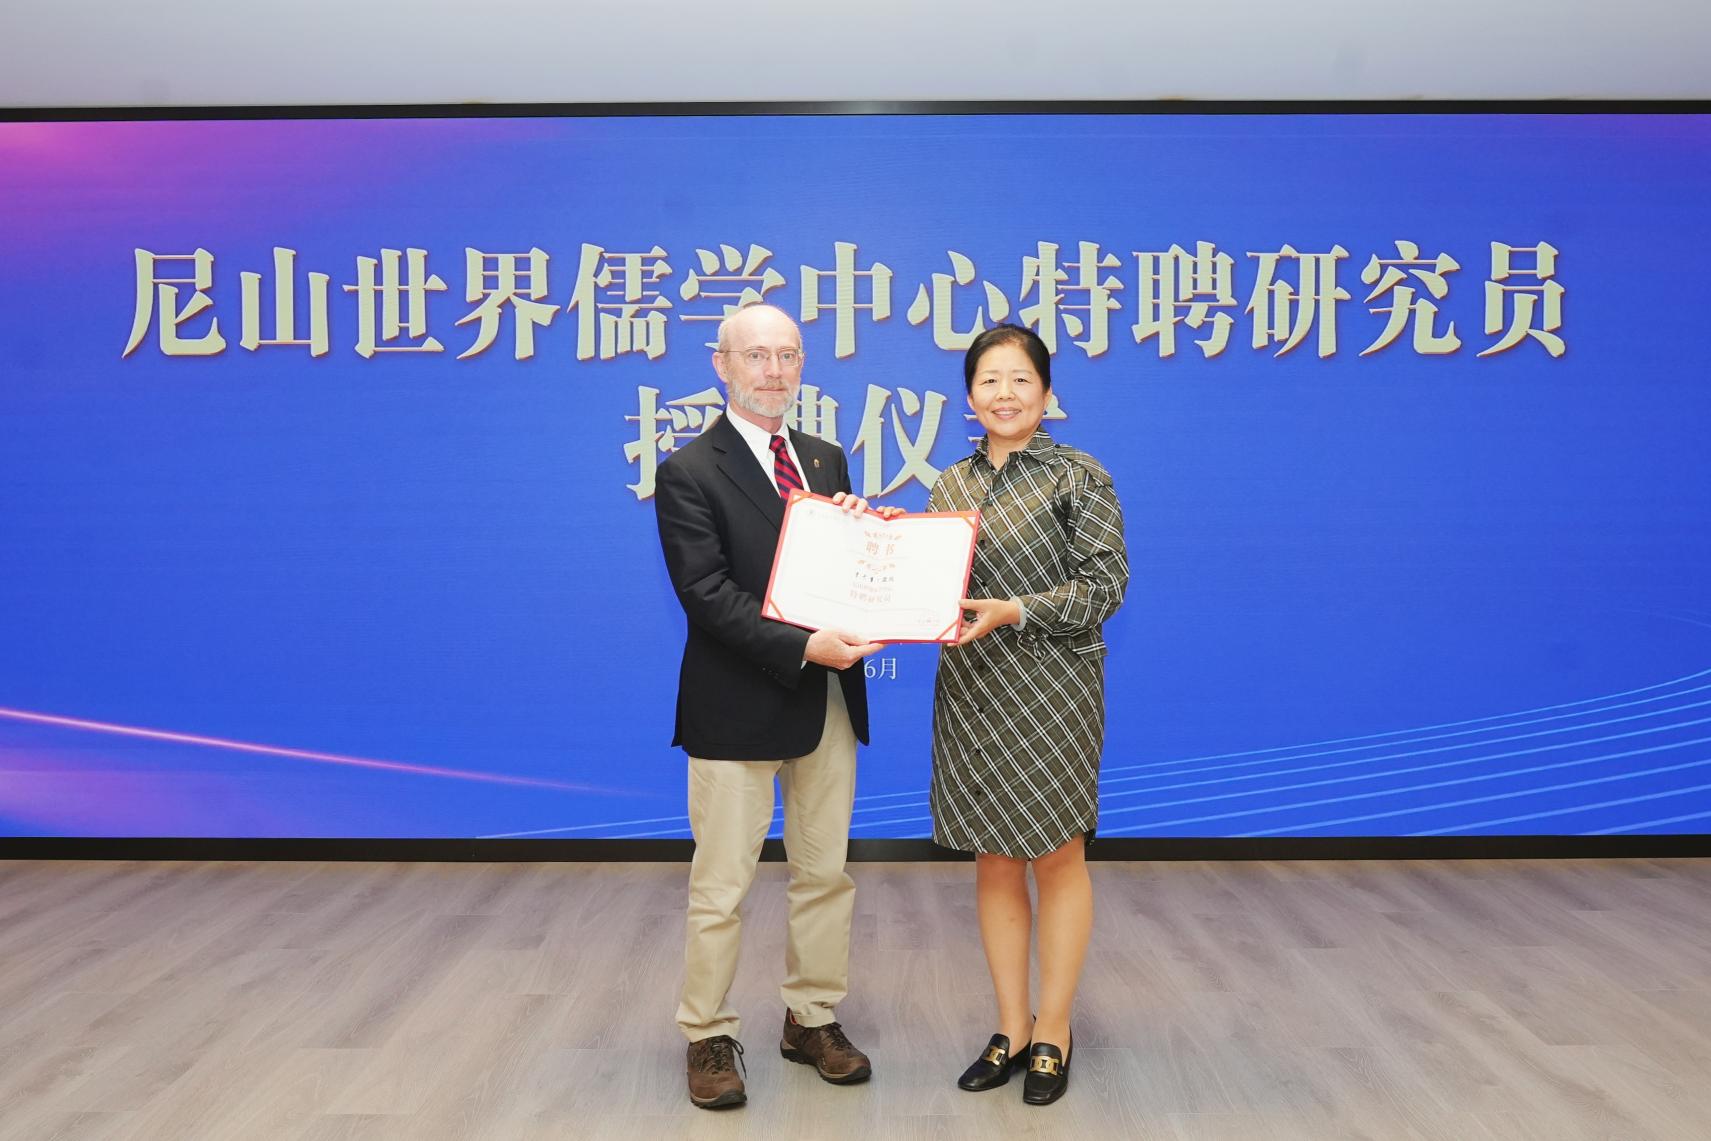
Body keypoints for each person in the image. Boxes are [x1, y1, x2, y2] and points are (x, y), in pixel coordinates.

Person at [654, 301, 885, 1110]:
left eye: (787, 354)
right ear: (721, 364)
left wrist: (871, 543)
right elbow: (706, 594)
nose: (774, 370)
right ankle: (708, 1032)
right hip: (735, 706)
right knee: (722, 885)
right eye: (755, 355)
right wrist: (803, 645)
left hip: (825, 702)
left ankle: (810, 1017)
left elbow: (842, 575)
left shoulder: (824, 458)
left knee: (825, 874)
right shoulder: (689, 469)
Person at [925, 323, 1129, 1106]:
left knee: (1056, 855)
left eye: (1019, 379)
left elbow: (1104, 586)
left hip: (1053, 689)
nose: (1003, 393)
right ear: (968, 396)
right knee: (993, 858)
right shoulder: (948, 484)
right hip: (973, 690)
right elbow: (927, 585)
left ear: (1047, 394)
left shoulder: (1078, 475)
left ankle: (1054, 1028)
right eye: (988, 380)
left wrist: (1015, 608)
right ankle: (1009, 1027)